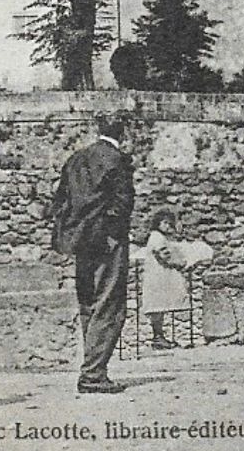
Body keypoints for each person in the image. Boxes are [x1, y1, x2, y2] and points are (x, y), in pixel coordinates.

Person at [51, 114, 135, 394]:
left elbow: (60, 200)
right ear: (123, 131)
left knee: (88, 303)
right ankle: (93, 374)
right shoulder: (118, 160)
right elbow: (122, 204)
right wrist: (109, 232)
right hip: (107, 243)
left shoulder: (76, 159)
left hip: (80, 243)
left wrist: (72, 233)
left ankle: (92, 368)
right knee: (110, 305)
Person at [141, 207, 190, 349]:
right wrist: (180, 263)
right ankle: (158, 336)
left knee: (159, 307)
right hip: (156, 277)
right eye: (165, 223)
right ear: (158, 223)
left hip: (159, 276)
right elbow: (164, 255)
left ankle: (159, 336)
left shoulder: (159, 237)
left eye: (169, 223)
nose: (168, 226)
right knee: (156, 307)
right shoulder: (156, 237)